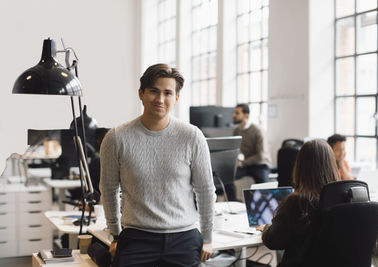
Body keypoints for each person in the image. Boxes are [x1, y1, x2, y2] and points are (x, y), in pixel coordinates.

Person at [100, 64, 216, 267]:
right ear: (141, 94)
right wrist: (115, 234)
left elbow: (205, 190)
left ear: (176, 98)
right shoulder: (117, 137)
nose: (160, 99)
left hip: (184, 238)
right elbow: (109, 189)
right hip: (137, 238)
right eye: (154, 91)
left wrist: (207, 237)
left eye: (167, 93)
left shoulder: (192, 136)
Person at [257, 139, 340, 267]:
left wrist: (267, 228)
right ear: (332, 165)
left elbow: (273, 241)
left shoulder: (298, 202)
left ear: (300, 166)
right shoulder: (342, 199)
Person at [225, 103, 272, 200]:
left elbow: (261, 156)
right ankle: (233, 205)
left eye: (237, 113)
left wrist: (242, 163)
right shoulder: (236, 131)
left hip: (261, 164)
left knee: (264, 187)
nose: (234, 115)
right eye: (234, 112)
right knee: (227, 177)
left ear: (246, 115)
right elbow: (234, 149)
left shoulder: (258, 131)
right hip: (247, 164)